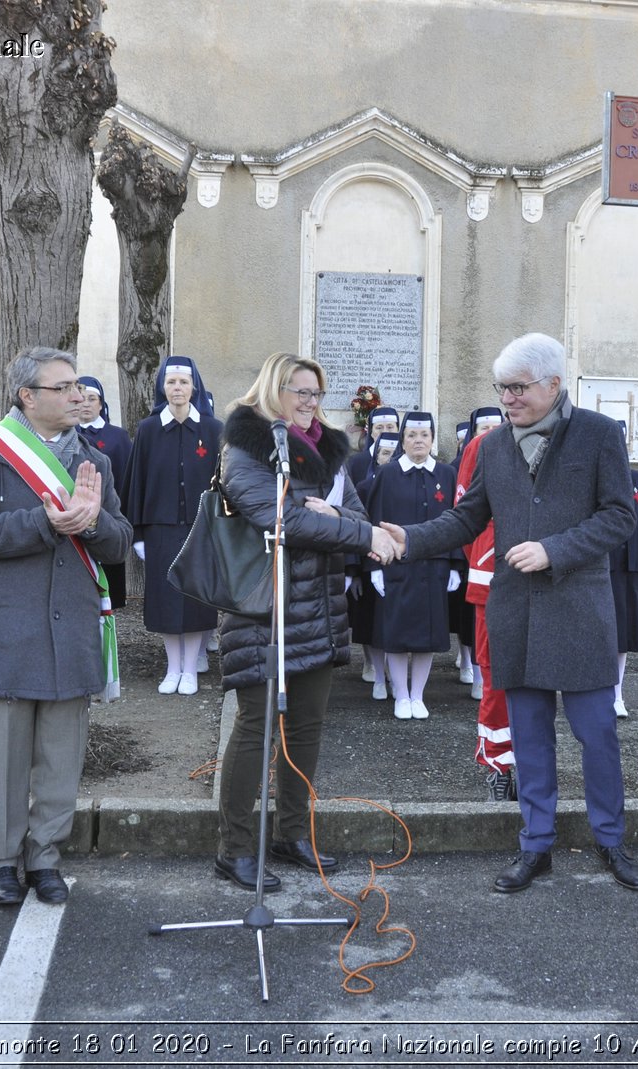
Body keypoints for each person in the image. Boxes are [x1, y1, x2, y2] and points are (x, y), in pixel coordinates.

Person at [383, 332, 638, 894]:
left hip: (579, 614)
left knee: (597, 736)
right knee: (528, 738)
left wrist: (556, 550)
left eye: (518, 388)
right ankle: (536, 845)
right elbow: (466, 518)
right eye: (501, 388)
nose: (508, 399)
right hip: (515, 615)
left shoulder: (599, 436)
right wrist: (409, 538)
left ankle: (611, 840)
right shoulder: (495, 445)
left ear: (554, 384)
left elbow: (620, 517)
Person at [0, 347, 131, 907]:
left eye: (79, 386)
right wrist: (45, 521)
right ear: (28, 396)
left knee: (60, 755)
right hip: (4, 628)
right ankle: (1, 858)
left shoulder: (92, 459)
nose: (80, 395)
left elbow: (121, 542)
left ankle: (45, 855)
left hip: (69, 627)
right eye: (66, 387)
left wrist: (94, 521)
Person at [214, 351, 398, 891]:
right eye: (299, 392)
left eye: (316, 394)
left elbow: (354, 514)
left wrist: (337, 516)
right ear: (273, 390)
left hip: (320, 607)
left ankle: (292, 833)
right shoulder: (247, 447)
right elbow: (283, 519)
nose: (310, 403)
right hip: (263, 609)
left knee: (308, 727)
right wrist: (354, 532)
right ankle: (235, 847)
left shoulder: (331, 452)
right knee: (256, 730)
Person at [124, 357, 222, 695]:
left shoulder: (212, 430)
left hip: (201, 529)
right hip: (160, 529)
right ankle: (173, 667)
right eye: (171, 383)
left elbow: (223, 484)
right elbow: (136, 481)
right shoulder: (149, 429)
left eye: (183, 382)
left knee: (195, 599)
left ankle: (191, 669)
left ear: (194, 386)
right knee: (166, 598)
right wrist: (137, 533)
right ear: (161, 388)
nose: (177, 388)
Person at [365, 411, 460, 721]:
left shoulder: (446, 474)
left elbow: (457, 521)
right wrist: (375, 566)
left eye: (424, 436)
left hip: (434, 567)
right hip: (396, 566)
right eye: (411, 436)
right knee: (395, 633)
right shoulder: (389, 474)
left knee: (427, 635)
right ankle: (400, 695)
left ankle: (417, 695)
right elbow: (374, 521)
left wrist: (455, 565)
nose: (418, 441)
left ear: (432, 439)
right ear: (403, 439)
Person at [453, 417, 514, 801]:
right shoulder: (484, 446)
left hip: (547, 581)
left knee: (538, 684)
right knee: (495, 680)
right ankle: (498, 766)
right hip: (492, 579)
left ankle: (531, 767)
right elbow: (465, 517)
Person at [609, 420, 638, 719]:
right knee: (596, 632)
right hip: (600, 568)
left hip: (631, 570)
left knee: (623, 636)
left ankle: (616, 694)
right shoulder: (586, 479)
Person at [348, 431, 399, 699]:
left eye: (394, 453)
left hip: (399, 569)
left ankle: (395, 676)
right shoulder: (365, 488)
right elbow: (356, 529)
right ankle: (378, 673)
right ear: (376, 456)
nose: (389, 459)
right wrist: (354, 571)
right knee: (372, 625)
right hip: (370, 569)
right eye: (384, 453)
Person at [75, 375, 132, 611]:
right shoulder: (68, 434)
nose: (86, 404)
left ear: (101, 404)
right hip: (75, 519)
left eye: (92, 399)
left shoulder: (117, 436)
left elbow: (127, 475)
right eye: (82, 398)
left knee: (108, 584)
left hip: (107, 515)